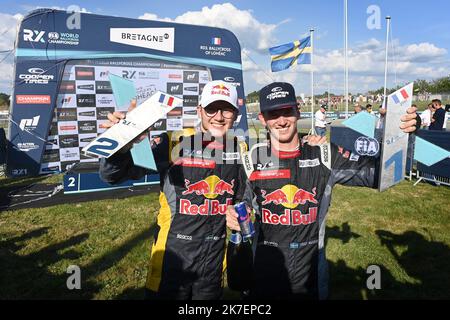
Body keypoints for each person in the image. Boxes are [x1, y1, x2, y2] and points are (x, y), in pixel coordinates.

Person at [226, 82, 420, 300]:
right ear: (262, 118)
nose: (281, 120)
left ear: (298, 111)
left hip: (311, 279)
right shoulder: (252, 159)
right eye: (273, 114)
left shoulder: (325, 154)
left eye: (287, 111)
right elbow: (237, 203)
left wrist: (403, 134)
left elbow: (382, 175)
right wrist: (233, 215)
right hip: (262, 276)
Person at [99, 80, 247, 300]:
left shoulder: (239, 148)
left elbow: (241, 198)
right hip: (171, 261)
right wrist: (121, 145)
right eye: (211, 109)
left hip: (212, 265)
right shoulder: (173, 141)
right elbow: (112, 176)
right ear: (200, 111)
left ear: (236, 114)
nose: (218, 116)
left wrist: (241, 214)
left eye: (226, 109)